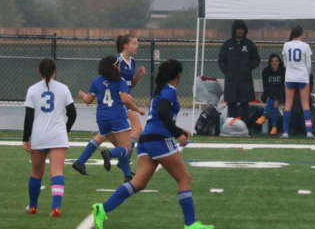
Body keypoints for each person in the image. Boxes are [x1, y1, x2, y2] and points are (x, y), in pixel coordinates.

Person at [92, 59, 214, 229]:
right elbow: (163, 113)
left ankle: (102, 208)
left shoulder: (160, 91)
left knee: (138, 183)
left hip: (146, 140)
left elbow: (160, 117)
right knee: (184, 178)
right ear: (177, 75)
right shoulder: (169, 91)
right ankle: (191, 224)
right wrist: (178, 134)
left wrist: (179, 130)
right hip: (159, 141)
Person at [72, 35, 146, 176]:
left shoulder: (132, 62)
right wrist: (136, 108)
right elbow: (119, 89)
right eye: (134, 43)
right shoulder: (117, 61)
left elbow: (129, 85)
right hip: (120, 105)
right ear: (125, 45)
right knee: (131, 137)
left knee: (105, 136)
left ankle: (81, 162)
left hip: (106, 111)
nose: (137, 46)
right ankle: (118, 161)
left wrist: (138, 76)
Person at [22, 58, 77, 217]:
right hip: (57, 136)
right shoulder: (63, 88)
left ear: (39, 71)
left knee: (36, 173)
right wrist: (65, 130)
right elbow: (72, 114)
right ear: (55, 71)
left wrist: (25, 138)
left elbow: (29, 117)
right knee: (57, 172)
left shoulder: (32, 90)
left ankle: (33, 206)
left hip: (39, 136)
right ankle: (56, 208)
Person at [218, 20, 260, 121]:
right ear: (234, 30)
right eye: (238, 29)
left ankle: (244, 127)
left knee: (245, 104)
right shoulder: (227, 45)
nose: (240, 31)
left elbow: (256, 59)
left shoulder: (249, 44)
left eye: (242, 29)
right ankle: (232, 127)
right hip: (231, 80)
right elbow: (221, 61)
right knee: (231, 104)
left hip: (245, 80)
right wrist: (227, 72)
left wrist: (248, 67)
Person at [282, 25, 313, 138]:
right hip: (302, 76)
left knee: (288, 104)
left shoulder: (286, 45)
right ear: (301, 34)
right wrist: (307, 75)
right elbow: (308, 64)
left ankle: (285, 131)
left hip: (290, 76)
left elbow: (285, 63)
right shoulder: (305, 46)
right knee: (305, 104)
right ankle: (309, 130)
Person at [255, 54, 285, 135]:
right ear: (270, 62)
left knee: (273, 102)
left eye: (276, 61)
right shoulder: (266, 71)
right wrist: (270, 96)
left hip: (281, 95)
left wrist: (278, 98)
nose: (274, 63)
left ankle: (264, 116)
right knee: (273, 103)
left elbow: (283, 87)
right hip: (268, 94)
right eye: (272, 61)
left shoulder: (283, 71)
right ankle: (274, 128)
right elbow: (266, 86)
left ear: (279, 62)